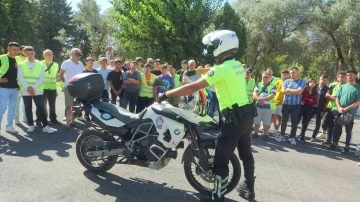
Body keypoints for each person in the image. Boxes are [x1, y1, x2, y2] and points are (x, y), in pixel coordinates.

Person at [158, 30, 255, 201]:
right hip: (246, 115)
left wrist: (167, 94)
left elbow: (193, 87)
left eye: (214, 47)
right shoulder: (238, 65)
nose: (212, 50)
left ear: (222, 47)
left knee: (221, 157)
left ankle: (217, 196)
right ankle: (249, 189)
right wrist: (204, 69)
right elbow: (212, 70)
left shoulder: (220, 69)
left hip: (232, 119)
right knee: (246, 153)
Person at [17, 46, 54, 133]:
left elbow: (41, 78)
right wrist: (28, 88)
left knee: (41, 107)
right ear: (25, 54)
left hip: (37, 90)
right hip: (25, 90)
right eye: (28, 53)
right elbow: (20, 78)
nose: (30, 55)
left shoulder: (40, 64)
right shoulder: (21, 65)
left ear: (34, 53)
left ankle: (45, 126)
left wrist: (32, 88)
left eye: (32, 53)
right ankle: (31, 125)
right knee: (28, 108)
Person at [330, 70, 360, 154]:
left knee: (348, 130)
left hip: (350, 112)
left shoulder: (358, 87)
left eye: (351, 75)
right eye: (347, 75)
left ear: (355, 76)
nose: (349, 77)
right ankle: (334, 143)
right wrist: (339, 107)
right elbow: (337, 97)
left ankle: (347, 146)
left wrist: (346, 108)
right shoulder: (343, 87)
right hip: (340, 110)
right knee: (337, 128)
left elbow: (358, 102)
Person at [278, 67, 306, 145]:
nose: (292, 74)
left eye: (293, 72)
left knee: (294, 122)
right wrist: (293, 91)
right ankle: (282, 135)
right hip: (286, 104)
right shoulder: (287, 81)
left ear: (298, 73)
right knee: (284, 121)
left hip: (295, 105)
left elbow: (299, 92)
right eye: (291, 73)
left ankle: (292, 137)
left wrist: (288, 90)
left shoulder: (302, 81)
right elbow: (283, 91)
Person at [59, 48, 84, 129]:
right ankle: (67, 123)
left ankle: (73, 121)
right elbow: (61, 74)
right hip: (68, 87)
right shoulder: (66, 63)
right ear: (71, 54)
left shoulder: (80, 64)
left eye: (78, 54)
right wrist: (65, 82)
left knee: (76, 106)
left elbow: (81, 75)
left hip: (78, 88)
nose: (76, 55)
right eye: (75, 53)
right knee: (69, 106)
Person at [0, 42, 21, 136]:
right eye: (14, 50)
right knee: (2, 108)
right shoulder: (2, 58)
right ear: (8, 48)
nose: (16, 52)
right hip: (3, 88)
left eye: (17, 50)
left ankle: (9, 126)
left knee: (12, 108)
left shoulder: (18, 60)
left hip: (15, 88)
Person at [36, 49, 61, 125]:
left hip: (52, 88)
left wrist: (59, 84)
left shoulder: (56, 65)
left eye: (51, 54)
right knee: (40, 105)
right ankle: (39, 120)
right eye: (48, 54)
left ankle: (53, 119)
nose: (50, 56)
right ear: (43, 56)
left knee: (52, 105)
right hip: (42, 88)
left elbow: (56, 76)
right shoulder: (39, 64)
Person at [321, 72, 346, 144]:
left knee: (337, 126)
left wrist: (333, 97)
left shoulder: (347, 87)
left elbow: (344, 99)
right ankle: (328, 139)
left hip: (340, 108)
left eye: (343, 76)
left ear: (345, 78)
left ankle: (335, 142)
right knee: (329, 124)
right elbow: (327, 95)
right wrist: (336, 98)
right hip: (330, 107)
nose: (341, 78)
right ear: (337, 77)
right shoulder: (333, 85)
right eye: (339, 76)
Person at [253, 71, 276, 142]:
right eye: (263, 77)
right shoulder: (258, 84)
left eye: (266, 77)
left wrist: (262, 99)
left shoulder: (273, 85)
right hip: (258, 106)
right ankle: (256, 133)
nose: (264, 78)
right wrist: (258, 99)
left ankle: (265, 134)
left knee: (267, 122)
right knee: (256, 121)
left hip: (268, 107)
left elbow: (272, 95)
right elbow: (255, 93)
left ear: (269, 77)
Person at [309, 75, 329, 141]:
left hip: (320, 109)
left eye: (324, 80)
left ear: (327, 81)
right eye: (321, 79)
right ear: (319, 79)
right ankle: (302, 133)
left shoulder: (327, 89)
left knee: (317, 123)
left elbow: (327, 101)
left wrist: (324, 110)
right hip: (311, 107)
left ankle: (313, 136)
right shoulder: (315, 86)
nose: (322, 81)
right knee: (306, 120)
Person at [273, 70, 289, 141]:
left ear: (288, 75)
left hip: (283, 104)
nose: (284, 76)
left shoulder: (289, 83)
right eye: (282, 75)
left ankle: (276, 131)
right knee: (273, 117)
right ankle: (272, 129)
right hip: (274, 102)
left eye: (285, 75)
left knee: (279, 118)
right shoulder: (277, 82)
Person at [14, 45, 27, 124]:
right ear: (20, 51)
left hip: (27, 84)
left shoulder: (29, 59)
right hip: (17, 84)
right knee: (17, 103)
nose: (25, 52)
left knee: (26, 103)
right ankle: (16, 119)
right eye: (23, 50)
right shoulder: (16, 58)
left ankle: (25, 118)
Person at [83, 57, 98, 122]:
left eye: (92, 63)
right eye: (89, 63)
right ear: (86, 63)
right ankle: (86, 115)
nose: (91, 64)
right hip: (86, 90)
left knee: (94, 103)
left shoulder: (95, 71)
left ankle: (93, 116)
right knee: (87, 103)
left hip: (94, 90)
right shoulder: (83, 71)